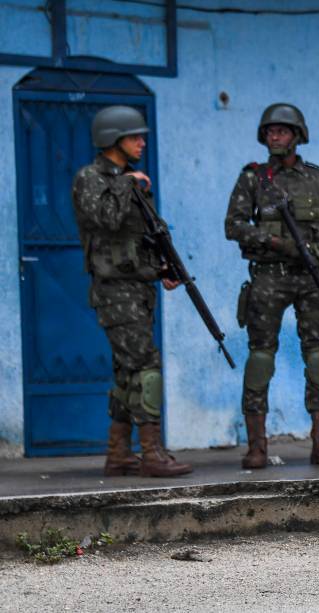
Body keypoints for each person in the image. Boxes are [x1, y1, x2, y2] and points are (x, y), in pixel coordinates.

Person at [225, 103, 319, 468]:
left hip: (313, 279)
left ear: (297, 136)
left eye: (282, 131)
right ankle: (256, 447)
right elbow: (233, 225)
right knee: (260, 357)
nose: (274, 137)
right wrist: (276, 242)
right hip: (267, 277)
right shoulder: (253, 178)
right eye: (270, 131)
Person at [71, 105, 193, 476]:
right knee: (146, 367)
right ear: (113, 139)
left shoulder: (131, 180)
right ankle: (152, 454)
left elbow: (143, 236)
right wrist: (128, 184)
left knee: (127, 371)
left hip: (139, 290)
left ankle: (119, 452)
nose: (142, 142)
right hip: (115, 292)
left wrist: (163, 268)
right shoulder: (91, 178)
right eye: (134, 136)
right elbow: (106, 219)